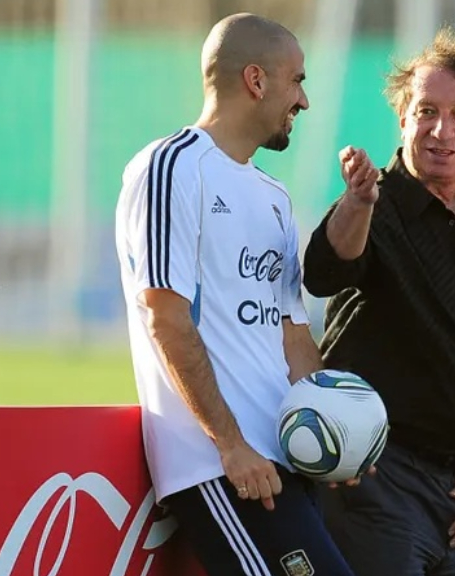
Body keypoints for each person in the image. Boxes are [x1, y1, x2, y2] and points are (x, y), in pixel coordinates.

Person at [114, 13, 359, 576]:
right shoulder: (170, 168)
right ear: (255, 80)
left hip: (283, 460)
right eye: (296, 80)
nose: (304, 100)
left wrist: (339, 429)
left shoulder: (273, 196)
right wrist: (230, 444)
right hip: (223, 469)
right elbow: (166, 317)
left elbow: (292, 334)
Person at [302, 26, 455, 576]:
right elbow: (323, 271)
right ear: (402, 117)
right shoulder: (374, 204)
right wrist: (357, 203)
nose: (440, 130)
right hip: (379, 482)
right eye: (426, 110)